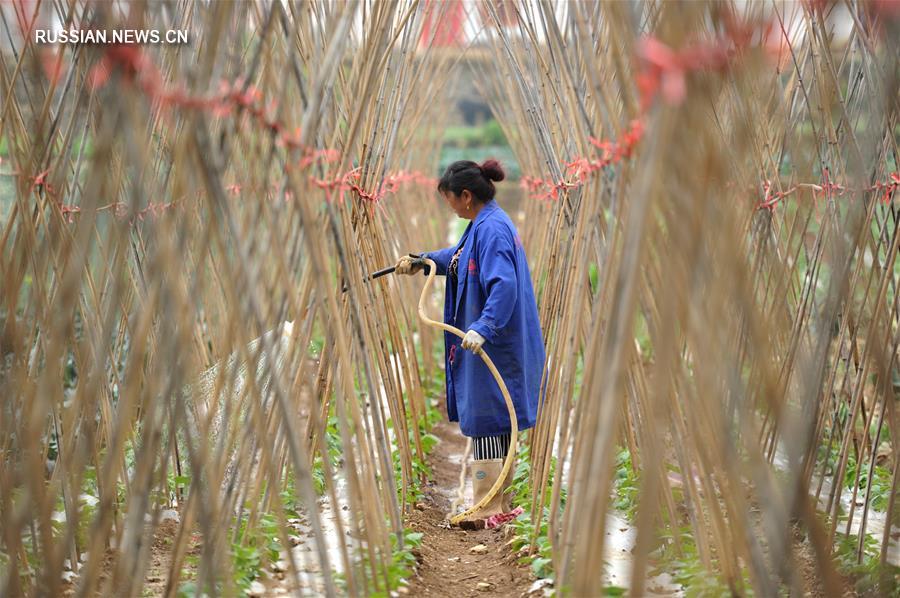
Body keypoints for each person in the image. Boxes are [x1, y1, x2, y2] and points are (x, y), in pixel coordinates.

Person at [395, 159, 546, 524]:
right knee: (491, 419)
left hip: (496, 343)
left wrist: (483, 326)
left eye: (448, 199)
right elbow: (460, 258)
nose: (448, 206)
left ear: (465, 196)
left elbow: (503, 285)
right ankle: (497, 504)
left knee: (488, 418)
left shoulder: (492, 229)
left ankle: (488, 507)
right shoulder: (482, 224)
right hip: (492, 340)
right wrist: (425, 261)